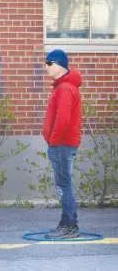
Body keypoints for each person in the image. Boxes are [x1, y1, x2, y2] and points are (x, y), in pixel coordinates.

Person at [42, 49, 83, 239]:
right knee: (63, 185)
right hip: (62, 144)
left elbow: (63, 119)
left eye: (49, 63)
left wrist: (53, 141)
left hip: (62, 144)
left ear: (59, 65)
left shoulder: (65, 88)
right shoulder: (62, 87)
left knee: (64, 185)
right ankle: (66, 223)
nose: (46, 67)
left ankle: (70, 227)